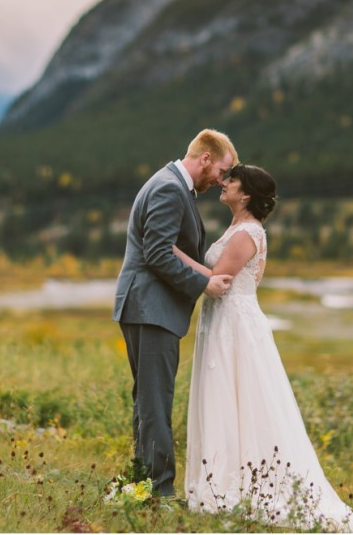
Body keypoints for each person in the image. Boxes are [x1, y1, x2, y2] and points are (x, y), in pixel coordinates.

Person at [173, 164, 353, 532]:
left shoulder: (248, 232)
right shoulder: (238, 227)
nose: (223, 183)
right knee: (222, 397)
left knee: (240, 398)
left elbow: (219, 278)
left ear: (245, 194)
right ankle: (217, 478)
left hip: (235, 325)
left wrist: (175, 255)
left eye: (230, 180)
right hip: (221, 320)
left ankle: (238, 485)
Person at [113, 128, 238, 498]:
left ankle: (142, 483)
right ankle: (160, 493)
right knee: (155, 400)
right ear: (205, 159)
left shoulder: (169, 183)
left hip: (144, 306)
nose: (221, 181)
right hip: (150, 308)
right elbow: (157, 253)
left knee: (147, 399)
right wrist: (204, 285)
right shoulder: (169, 189)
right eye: (221, 171)